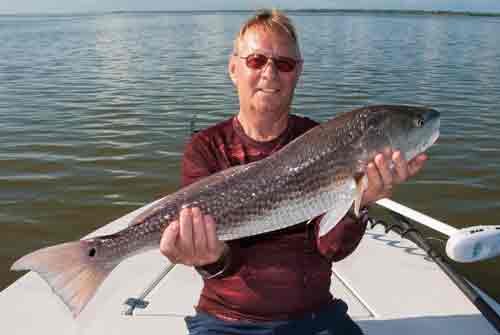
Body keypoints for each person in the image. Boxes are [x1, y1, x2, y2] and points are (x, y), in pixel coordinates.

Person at [160, 9, 427, 335]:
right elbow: (219, 265)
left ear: (298, 73)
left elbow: (332, 249)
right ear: (233, 68)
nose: (270, 73)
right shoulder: (206, 147)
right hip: (227, 320)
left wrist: (362, 199)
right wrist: (209, 256)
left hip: (315, 316)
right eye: (256, 60)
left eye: (284, 64)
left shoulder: (324, 141)